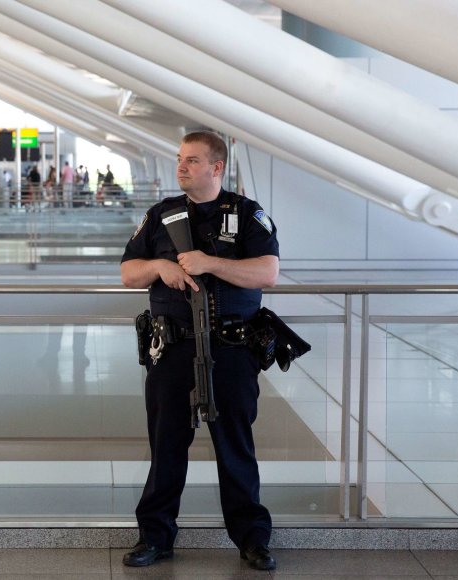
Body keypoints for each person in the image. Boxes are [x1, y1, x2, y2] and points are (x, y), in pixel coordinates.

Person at [120, 131, 279, 571]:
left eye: (192, 160)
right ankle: (155, 535)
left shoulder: (247, 215)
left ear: (217, 167)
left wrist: (211, 264)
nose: (182, 166)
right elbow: (128, 272)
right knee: (166, 445)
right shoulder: (161, 215)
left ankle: (252, 539)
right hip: (170, 350)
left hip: (231, 350)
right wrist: (158, 266)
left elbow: (268, 271)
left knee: (235, 447)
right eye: (179, 159)